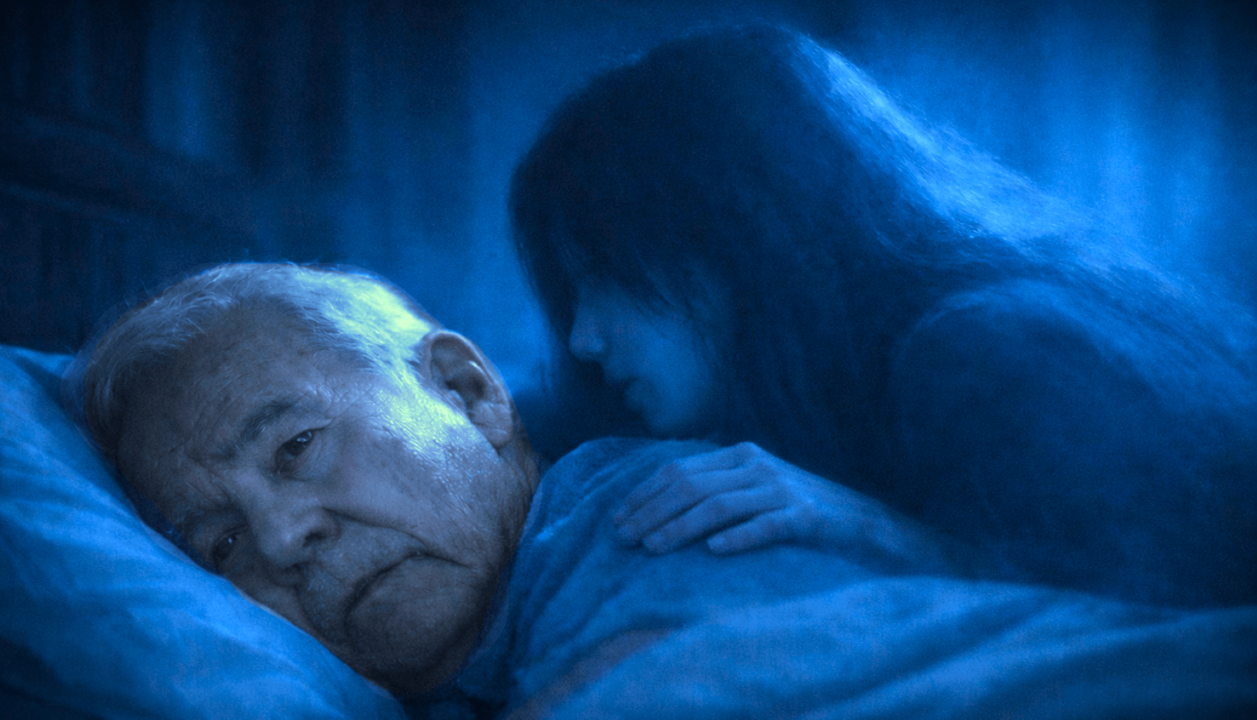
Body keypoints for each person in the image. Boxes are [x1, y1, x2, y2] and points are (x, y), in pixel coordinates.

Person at [510, 24, 1257, 607]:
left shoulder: (988, 350)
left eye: (606, 278)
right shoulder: (797, 390)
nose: (583, 337)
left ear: (734, 239)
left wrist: (879, 530)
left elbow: (1169, 636)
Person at [77, 262, 966, 705]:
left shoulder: (670, 512)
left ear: (466, 392)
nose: (279, 541)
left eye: (296, 447)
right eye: (222, 544)